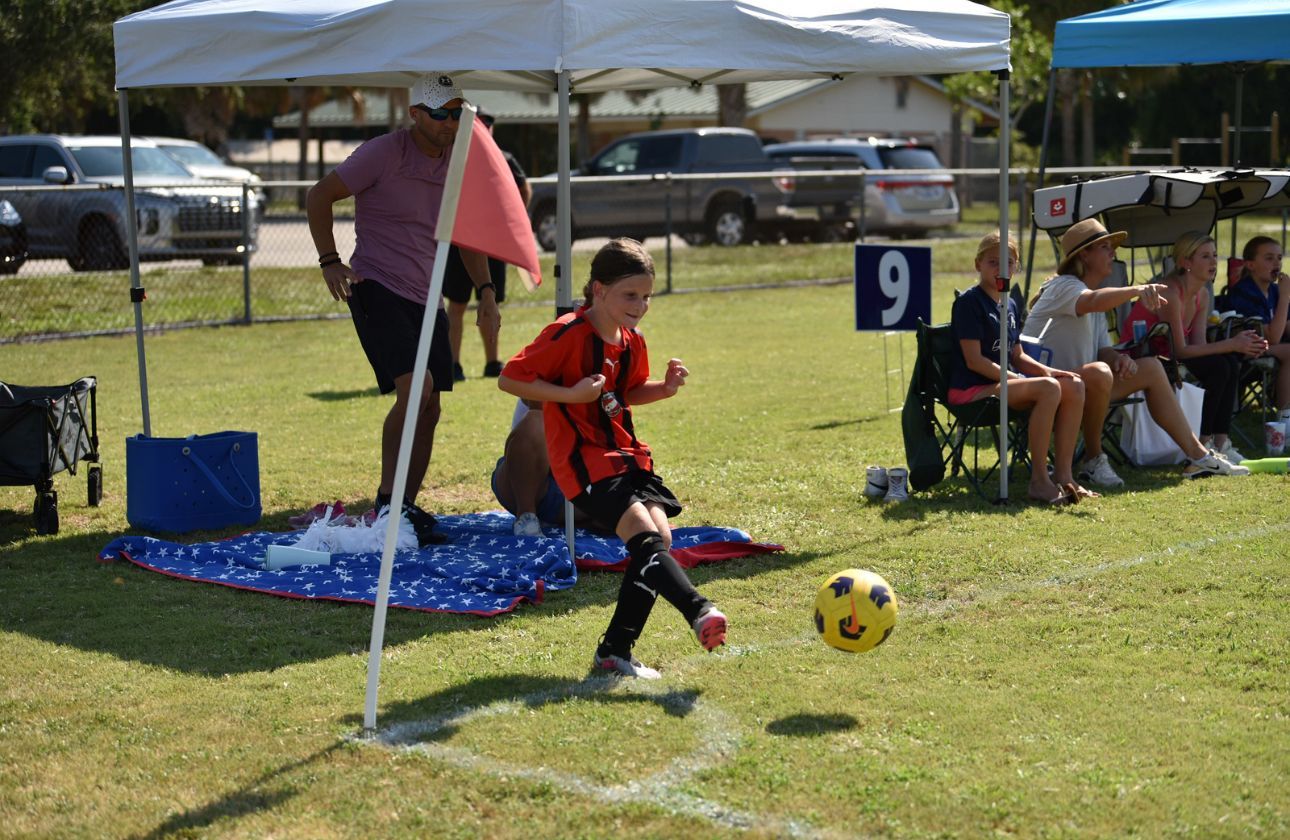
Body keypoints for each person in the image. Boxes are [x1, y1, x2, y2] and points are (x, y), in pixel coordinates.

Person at [498, 238, 727, 678]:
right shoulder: (567, 333)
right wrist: (569, 395)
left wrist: (665, 388)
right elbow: (511, 378)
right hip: (583, 460)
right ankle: (699, 610)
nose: (640, 306)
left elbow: (627, 393)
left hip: (625, 453)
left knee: (660, 539)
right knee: (646, 538)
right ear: (598, 290)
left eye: (646, 297)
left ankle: (614, 651)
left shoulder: (631, 340)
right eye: (630, 295)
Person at [306, 73, 501, 544]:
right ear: (415, 114)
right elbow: (319, 196)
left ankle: (404, 508)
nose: (449, 123)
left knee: (430, 406)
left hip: (427, 292)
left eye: (457, 113)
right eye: (440, 113)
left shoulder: (458, 161)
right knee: (417, 390)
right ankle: (387, 503)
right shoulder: (383, 152)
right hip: (376, 285)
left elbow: (465, 235)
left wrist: (487, 291)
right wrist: (330, 261)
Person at [1026, 218, 1249, 482]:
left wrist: (1119, 358)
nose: (1114, 253)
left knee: (1151, 367)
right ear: (1083, 255)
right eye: (1105, 247)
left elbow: (1102, 350)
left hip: (1081, 384)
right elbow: (1092, 302)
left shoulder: (1093, 295)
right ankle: (1093, 459)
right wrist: (1137, 289)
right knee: (1098, 372)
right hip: (1044, 384)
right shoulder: (1064, 286)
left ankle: (1198, 456)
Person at [950, 233, 1088, 504]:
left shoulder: (1010, 303)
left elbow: (1017, 353)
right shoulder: (968, 302)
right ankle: (1038, 481)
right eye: (993, 262)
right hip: (971, 390)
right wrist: (1018, 378)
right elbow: (974, 361)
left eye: (1009, 263)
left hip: (1002, 384)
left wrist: (1049, 372)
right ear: (978, 264)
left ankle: (1064, 476)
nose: (1002, 269)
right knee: (1048, 389)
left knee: (1074, 384)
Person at [1123, 231, 1267, 463]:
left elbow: (1198, 345)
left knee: (1228, 362)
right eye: (1205, 256)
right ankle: (1204, 441)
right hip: (1142, 357)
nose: (1213, 262)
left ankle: (1221, 442)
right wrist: (1231, 343)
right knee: (1220, 365)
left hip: (1169, 356)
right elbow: (1180, 350)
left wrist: (1239, 345)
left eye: (1215, 256)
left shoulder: (1201, 294)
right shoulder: (1170, 292)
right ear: (1185, 262)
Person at [443, 106, 531, 382]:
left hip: (492, 245)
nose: (484, 127)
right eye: (480, 122)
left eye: (487, 122)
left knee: (490, 302)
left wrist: (507, 226)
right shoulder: (453, 158)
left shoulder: (502, 158)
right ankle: (453, 363)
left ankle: (492, 361)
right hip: (460, 244)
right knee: (456, 305)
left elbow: (522, 189)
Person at [490, 397, 589, 536]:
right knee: (536, 418)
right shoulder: (541, 381)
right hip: (529, 481)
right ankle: (526, 516)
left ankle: (587, 519)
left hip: (580, 487)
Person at [1228, 235, 1290, 421]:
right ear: (1251, 264)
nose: (1276, 263)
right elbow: (1272, 337)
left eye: (1279, 258)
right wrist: (1286, 297)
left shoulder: (1272, 290)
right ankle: (1285, 421)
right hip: (1242, 350)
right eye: (1269, 258)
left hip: (1265, 347)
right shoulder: (1244, 292)